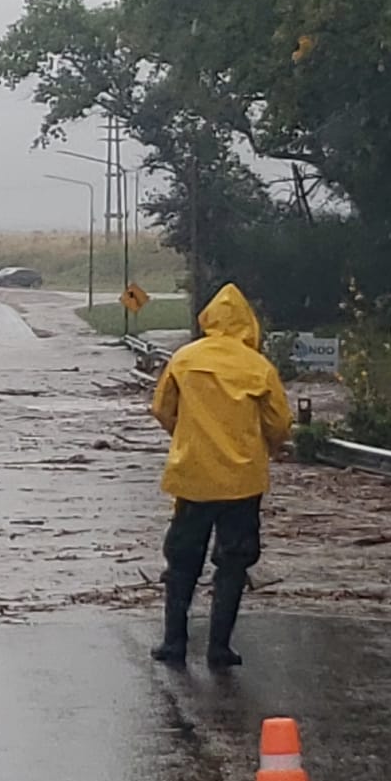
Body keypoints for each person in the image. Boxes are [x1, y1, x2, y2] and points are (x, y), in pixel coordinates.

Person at [150, 283, 293, 670]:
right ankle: (219, 648)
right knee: (233, 562)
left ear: (209, 319)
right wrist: (264, 447)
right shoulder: (257, 366)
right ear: (248, 323)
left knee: (182, 561)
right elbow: (279, 424)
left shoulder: (184, 359)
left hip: (192, 478)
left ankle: (174, 644)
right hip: (242, 483)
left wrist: (187, 437)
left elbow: (162, 408)